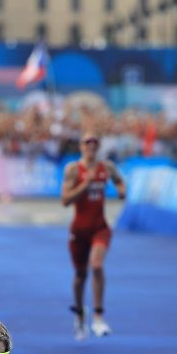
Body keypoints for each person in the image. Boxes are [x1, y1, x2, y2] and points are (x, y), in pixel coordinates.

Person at [60, 135, 125, 339]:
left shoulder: (107, 167)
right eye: (87, 142)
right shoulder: (73, 169)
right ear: (81, 145)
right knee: (80, 276)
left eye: (95, 142)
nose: (91, 145)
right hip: (79, 230)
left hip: (100, 227)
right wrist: (84, 185)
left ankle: (98, 317)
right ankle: (80, 315)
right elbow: (65, 200)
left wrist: (122, 190)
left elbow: (119, 180)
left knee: (96, 265)